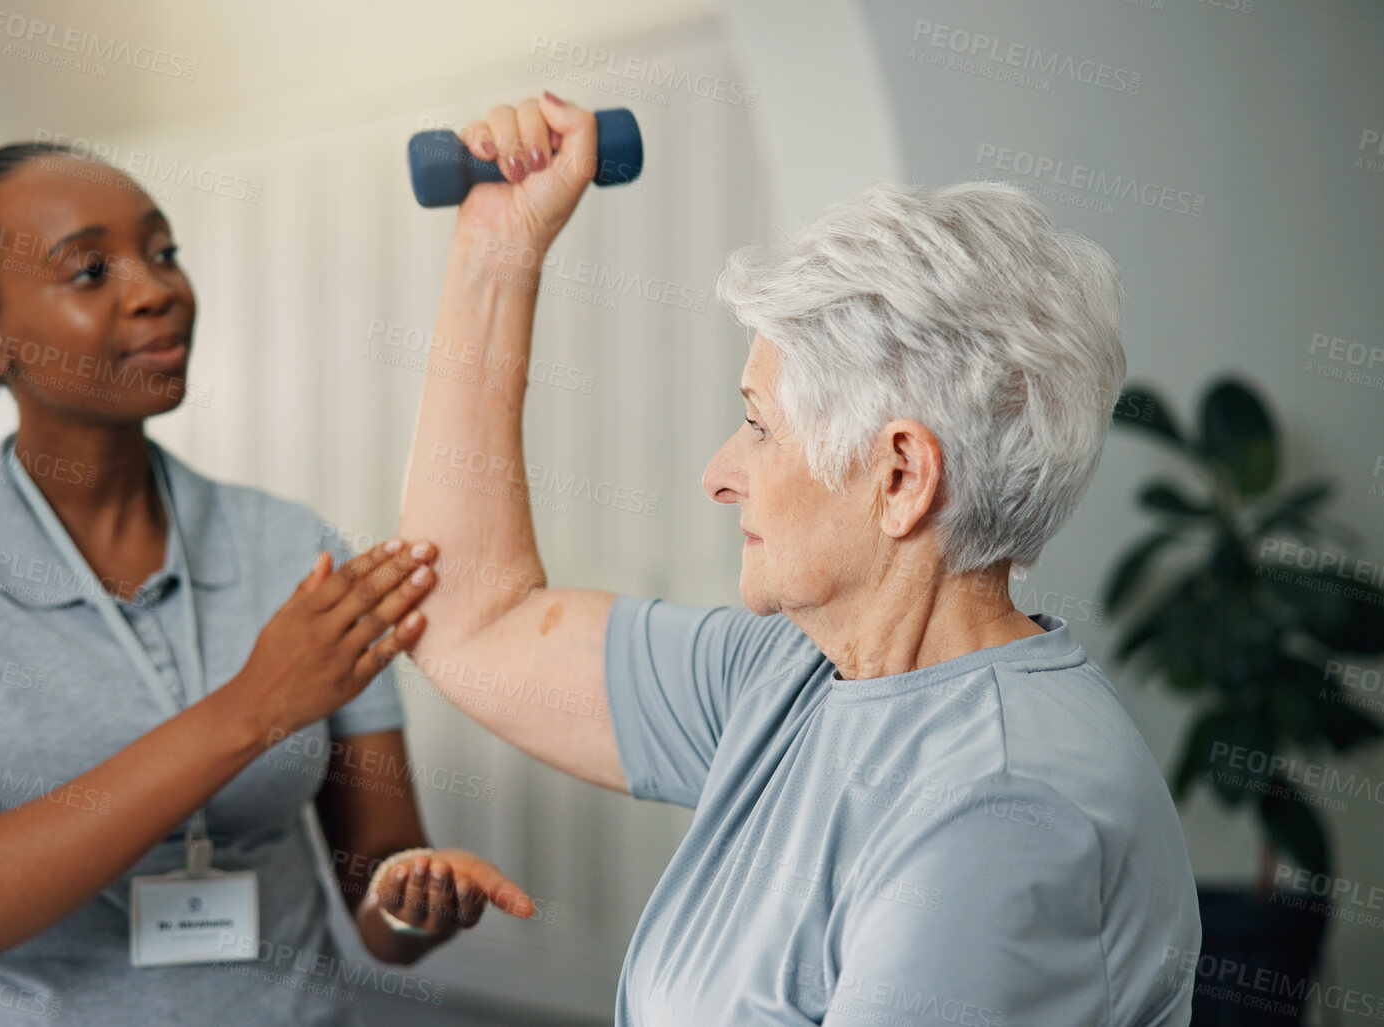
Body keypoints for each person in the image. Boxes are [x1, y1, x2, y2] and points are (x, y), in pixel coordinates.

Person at [396, 93, 1200, 1025]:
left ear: (899, 475)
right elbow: (469, 618)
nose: (718, 474)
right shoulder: (793, 673)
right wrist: (497, 255)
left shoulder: (1000, 810)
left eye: (756, 424)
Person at [0, 141, 528, 1026]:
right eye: (90, 270)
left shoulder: (292, 546)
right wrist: (252, 707)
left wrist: (413, 900)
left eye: (163, 251)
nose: (156, 289)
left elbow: (376, 900)